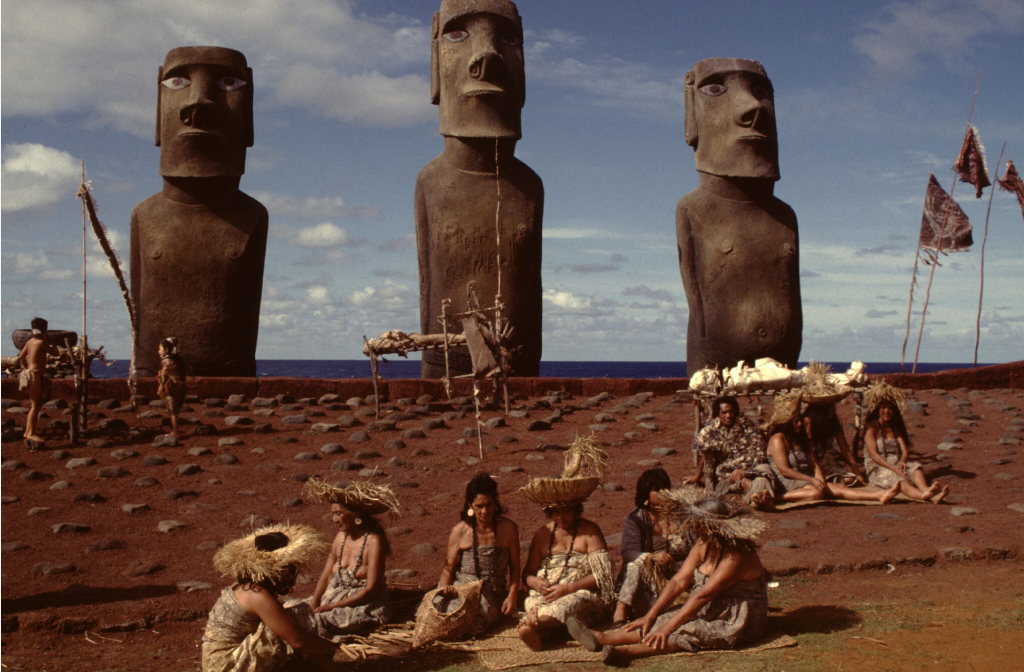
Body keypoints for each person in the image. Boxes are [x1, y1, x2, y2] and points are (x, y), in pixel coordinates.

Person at [565, 488, 769, 664]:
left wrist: (668, 628)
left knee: (687, 630)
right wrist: (650, 615)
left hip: (736, 619)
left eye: (698, 524)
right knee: (661, 620)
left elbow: (702, 596)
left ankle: (624, 653)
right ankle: (602, 638)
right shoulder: (703, 544)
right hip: (710, 607)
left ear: (711, 527)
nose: (694, 528)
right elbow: (679, 581)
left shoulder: (736, 556)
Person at [518, 436, 616, 651]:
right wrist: (536, 583)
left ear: (576, 508)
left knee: (568, 606)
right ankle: (539, 633)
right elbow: (528, 573)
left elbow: (604, 575)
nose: (561, 517)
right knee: (532, 601)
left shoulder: (590, 532)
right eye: (555, 511)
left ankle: (535, 625)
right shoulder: (542, 534)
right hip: (544, 595)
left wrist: (569, 588)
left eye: (565, 510)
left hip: (579, 594)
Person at [202, 524, 337, 671]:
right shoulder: (258, 595)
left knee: (287, 614)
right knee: (297, 617)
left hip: (213, 663)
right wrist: (332, 646)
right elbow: (298, 641)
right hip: (225, 666)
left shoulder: (243, 585)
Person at [300, 478, 399, 640]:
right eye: (333, 514)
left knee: (317, 622)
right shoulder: (340, 537)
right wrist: (315, 601)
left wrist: (332, 606)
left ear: (356, 514)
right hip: (332, 598)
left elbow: (370, 588)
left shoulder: (373, 541)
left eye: (338, 513)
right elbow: (326, 576)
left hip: (364, 604)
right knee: (291, 610)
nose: (334, 520)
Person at [766, 391, 899, 505]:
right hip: (787, 481)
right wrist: (812, 480)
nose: (800, 424)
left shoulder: (800, 438)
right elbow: (785, 471)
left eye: (800, 420)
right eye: (796, 421)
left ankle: (879, 495)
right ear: (786, 423)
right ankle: (777, 498)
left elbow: (814, 463)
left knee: (837, 488)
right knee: (816, 492)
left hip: (804, 478)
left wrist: (820, 480)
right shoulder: (778, 439)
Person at [433, 473, 521, 637]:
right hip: (461, 589)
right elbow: (448, 569)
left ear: (495, 503)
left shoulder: (508, 528)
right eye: (479, 506)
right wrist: (445, 589)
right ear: (470, 506)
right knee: (444, 618)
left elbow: (515, 568)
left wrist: (512, 597)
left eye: (489, 505)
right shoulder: (460, 531)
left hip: (490, 593)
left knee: (473, 625)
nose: (485, 511)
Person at [613, 468, 693, 624]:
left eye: (665, 488)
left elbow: (696, 545)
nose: (663, 493)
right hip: (650, 578)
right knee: (637, 564)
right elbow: (629, 551)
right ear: (646, 494)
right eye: (657, 490)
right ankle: (620, 611)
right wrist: (652, 557)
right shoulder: (636, 518)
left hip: (680, 578)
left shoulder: (682, 516)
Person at [863, 382, 948, 504]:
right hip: (879, 467)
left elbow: (904, 450)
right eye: (883, 407)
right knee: (901, 480)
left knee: (915, 468)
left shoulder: (895, 427)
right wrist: (894, 469)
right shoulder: (871, 427)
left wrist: (902, 461)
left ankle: (926, 490)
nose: (887, 411)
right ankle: (926, 496)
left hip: (897, 463)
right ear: (877, 409)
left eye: (890, 408)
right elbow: (873, 455)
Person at [687, 396, 773, 509]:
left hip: (750, 468)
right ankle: (759, 497)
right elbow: (706, 458)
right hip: (726, 473)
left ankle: (758, 497)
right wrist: (697, 477)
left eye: (731, 412)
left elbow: (759, 451)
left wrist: (744, 470)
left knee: (764, 472)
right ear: (718, 413)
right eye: (724, 412)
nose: (728, 416)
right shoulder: (709, 432)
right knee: (744, 482)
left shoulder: (747, 426)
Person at [803, 401, 867, 486]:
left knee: (851, 478)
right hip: (812, 462)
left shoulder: (833, 423)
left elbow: (845, 450)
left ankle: (831, 483)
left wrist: (858, 473)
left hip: (828, 461)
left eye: (833, 408)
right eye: (829, 408)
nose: (832, 411)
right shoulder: (808, 422)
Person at [17, 317, 59, 445]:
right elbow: (56, 353)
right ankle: (30, 433)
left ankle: (28, 431)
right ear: (44, 329)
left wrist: (27, 367)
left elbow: (21, 357)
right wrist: (51, 341)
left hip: (28, 373)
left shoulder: (30, 341)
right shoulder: (41, 343)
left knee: (33, 405)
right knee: (35, 406)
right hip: (35, 375)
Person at [157, 337, 187, 440]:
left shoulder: (167, 361)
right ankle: (175, 430)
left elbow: (165, 375)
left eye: (160, 349)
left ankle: (175, 432)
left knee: (172, 411)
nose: (158, 351)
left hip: (172, 388)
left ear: (166, 350)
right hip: (180, 387)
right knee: (174, 411)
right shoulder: (176, 359)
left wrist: (162, 384)